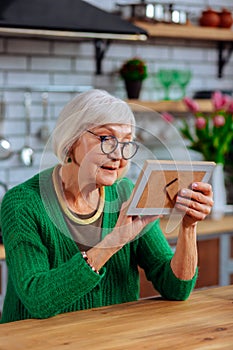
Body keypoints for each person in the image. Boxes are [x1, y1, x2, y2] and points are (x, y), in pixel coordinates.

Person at [0, 89, 213, 324]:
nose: (119, 156)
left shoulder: (126, 193)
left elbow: (176, 288)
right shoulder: (23, 203)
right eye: (106, 140)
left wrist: (188, 226)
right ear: (71, 142)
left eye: (126, 142)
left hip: (109, 339)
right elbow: (37, 300)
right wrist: (113, 242)